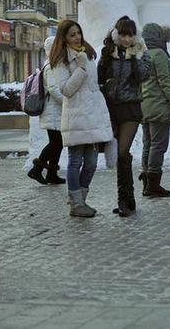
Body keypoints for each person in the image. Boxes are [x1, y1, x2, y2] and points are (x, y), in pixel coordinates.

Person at [50, 20, 113, 217]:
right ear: (64, 37)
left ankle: (81, 200)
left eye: (78, 33)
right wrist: (81, 68)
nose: (77, 37)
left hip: (92, 115)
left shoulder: (87, 53)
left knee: (92, 163)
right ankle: (76, 204)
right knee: (75, 162)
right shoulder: (61, 60)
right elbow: (66, 90)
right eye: (72, 34)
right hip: (76, 116)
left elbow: (92, 85)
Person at [98, 16, 151, 217]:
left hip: (131, 108)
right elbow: (99, 78)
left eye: (130, 35)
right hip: (111, 109)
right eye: (123, 35)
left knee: (122, 152)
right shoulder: (108, 53)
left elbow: (143, 76)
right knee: (121, 156)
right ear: (117, 34)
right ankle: (129, 199)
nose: (127, 39)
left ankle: (123, 199)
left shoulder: (141, 52)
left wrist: (134, 57)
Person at [140, 23, 170, 198]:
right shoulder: (159, 54)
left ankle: (146, 181)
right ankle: (153, 183)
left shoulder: (141, 54)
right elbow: (166, 82)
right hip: (158, 105)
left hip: (143, 105)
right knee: (158, 145)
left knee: (148, 144)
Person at [27, 36, 65, 185]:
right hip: (53, 111)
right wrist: (66, 102)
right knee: (56, 143)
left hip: (54, 111)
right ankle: (36, 169)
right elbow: (54, 89)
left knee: (57, 143)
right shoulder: (51, 66)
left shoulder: (53, 64)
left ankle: (51, 173)